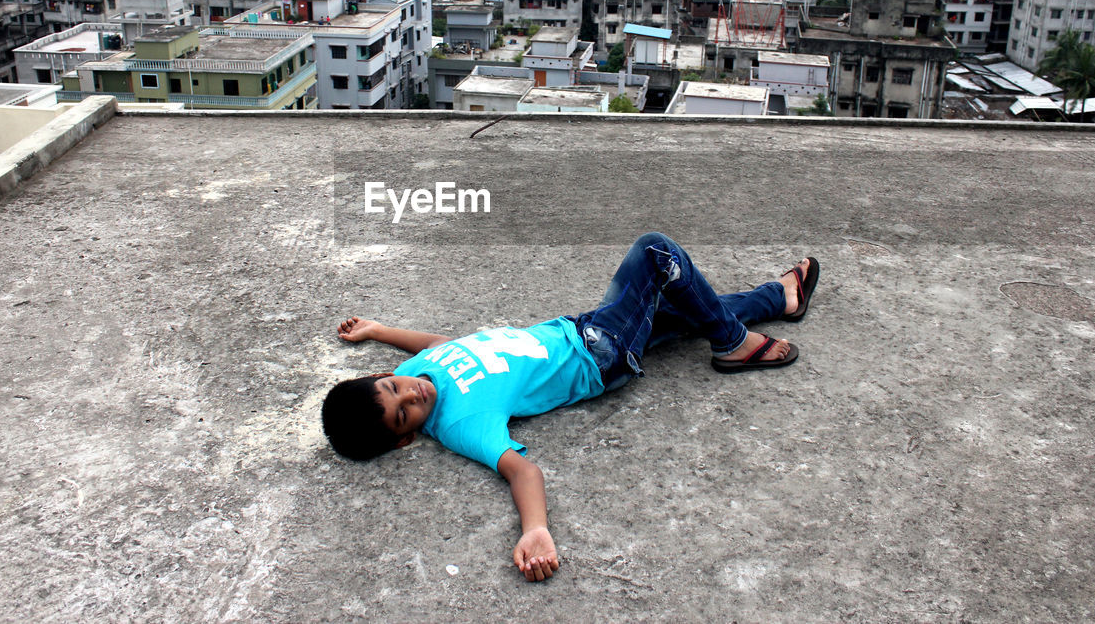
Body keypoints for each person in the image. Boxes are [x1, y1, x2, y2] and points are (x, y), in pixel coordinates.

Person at [320, 232, 819, 582]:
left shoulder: (424, 367)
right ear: (407, 436)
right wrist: (536, 529)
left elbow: (451, 344)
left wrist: (379, 330)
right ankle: (734, 344)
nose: (413, 394)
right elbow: (521, 471)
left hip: (577, 327)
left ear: (383, 375)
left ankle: (780, 298)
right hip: (601, 354)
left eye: (395, 388)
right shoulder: (462, 423)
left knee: (687, 309)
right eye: (405, 413)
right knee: (655, 253)